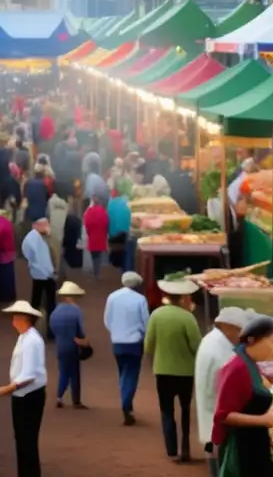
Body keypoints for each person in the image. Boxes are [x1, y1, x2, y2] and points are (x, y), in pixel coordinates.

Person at [212, 315, 273, 477]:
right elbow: (223, 415)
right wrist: (266, 420)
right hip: (242, 449)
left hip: (255, 443)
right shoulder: (237, 368)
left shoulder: (250, 363)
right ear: (253, 340)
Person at [145, 277, 203, 462]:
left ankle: (171, 450)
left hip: (162, 371)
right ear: (183, 297)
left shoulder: (156, 315)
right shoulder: (188, 317)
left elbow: (148, 345)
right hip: (186, 372)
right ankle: (185, 448)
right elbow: (197, 346)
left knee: (167, 411)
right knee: (185, 410)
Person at [195, 307, 254, 474]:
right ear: (227, 327)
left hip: (213, 414)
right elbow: (230, 384)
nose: (241, 337)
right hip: (217, 418)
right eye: (239, 331)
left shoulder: (215, 340)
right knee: (221, 465)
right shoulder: (218, 348)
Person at [0, 300, 48, 477]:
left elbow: (29, 375)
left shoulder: (31, 340)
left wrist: (7, 389)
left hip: (29, 395)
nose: (13, 321)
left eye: (15, 317)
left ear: (24, 319)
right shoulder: (24, 337)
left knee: (27, 440)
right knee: (22, 439)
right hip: (21, 394)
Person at [104, 271, 150, 425]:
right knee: (131, 374)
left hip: (117, 341)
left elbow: (107, 320)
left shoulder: (112, 297)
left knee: (123, 373)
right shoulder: (140, 299)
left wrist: (115, 331)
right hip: (134, 342)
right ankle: (126, 403)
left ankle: (127, 403)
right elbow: (146, 322)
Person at [48, 281, 88, 409]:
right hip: (73, 345)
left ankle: (59, 396)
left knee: (63, 372)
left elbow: (52, 328)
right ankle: (76, 400)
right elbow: (80, 330)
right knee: (74, 373)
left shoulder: (55, 311)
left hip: (60, 345)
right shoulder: (76, 310)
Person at [22, 218, 57, 335]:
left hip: (38, 273)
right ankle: (50, 331)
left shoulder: (34, 237)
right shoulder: (35, 238)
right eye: (46, 225)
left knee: (36, 301)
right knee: (49, 303)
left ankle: (29, 326)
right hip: (45, 274)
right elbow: (43, 258)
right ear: (38, 225)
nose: (48, 227)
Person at [83, 195, 110, 279]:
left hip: (92, 236)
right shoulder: (103, 211)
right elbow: (107, 224)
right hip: (101, 236)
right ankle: (96, 272)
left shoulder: (89, 211)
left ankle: (95, 271)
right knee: (99, 255)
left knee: (93, 254)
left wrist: (88, 232)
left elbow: (86, 224)